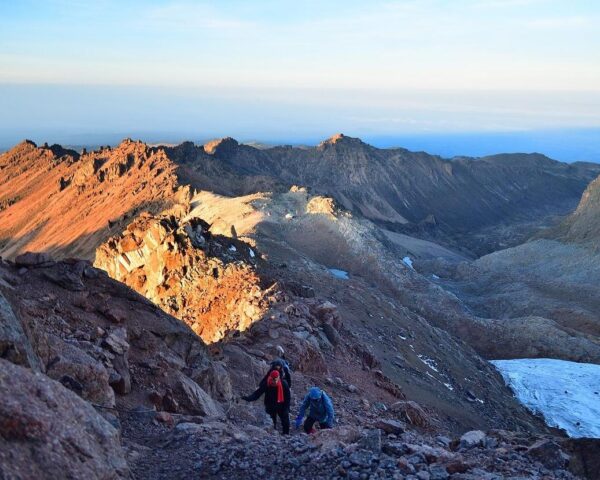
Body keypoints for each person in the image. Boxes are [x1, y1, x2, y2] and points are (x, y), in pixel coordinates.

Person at [242, 370, 291, 434]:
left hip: (282, 405)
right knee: (272, 422)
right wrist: (248, 398)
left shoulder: (284, 384)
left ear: (279, 377)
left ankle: (286, 435)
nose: (274, 381)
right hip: (270, 405)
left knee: (285, 421)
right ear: (270, 377)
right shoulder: (267, 383)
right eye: (273, 379)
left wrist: (286, 408)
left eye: (276, 379)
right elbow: (257, 393)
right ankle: (273, 435)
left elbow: (288, 397)